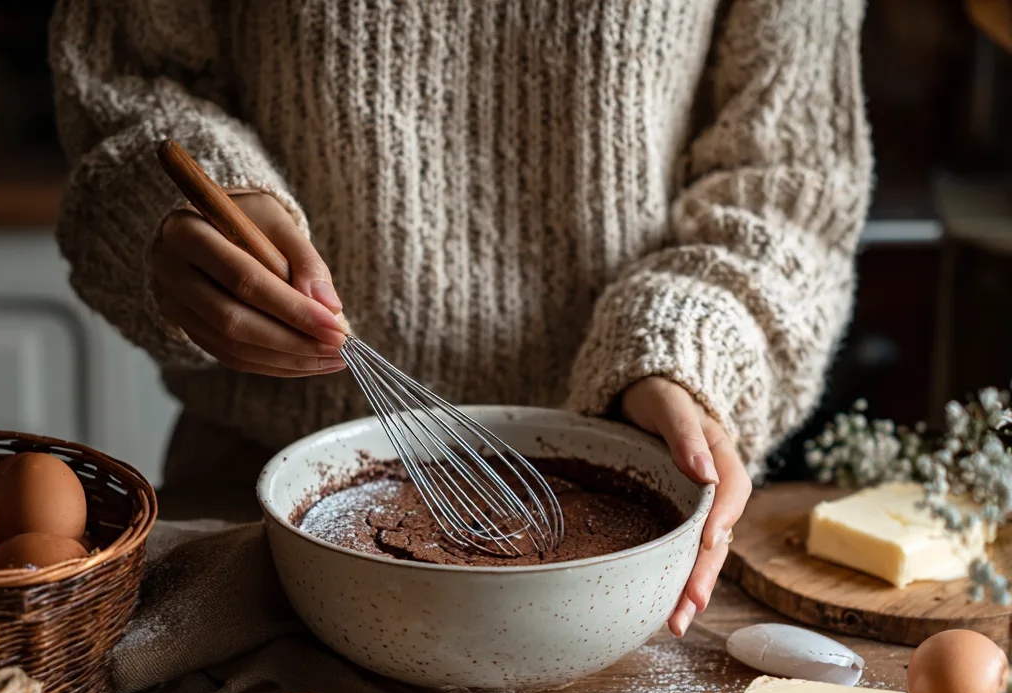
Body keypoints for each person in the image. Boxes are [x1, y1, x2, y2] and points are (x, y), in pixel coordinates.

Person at [49, 0, 871, 637]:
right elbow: (129, 84)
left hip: (627, 563)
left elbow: (787, 187)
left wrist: (684, 347)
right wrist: (192, 218)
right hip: (251, 531)